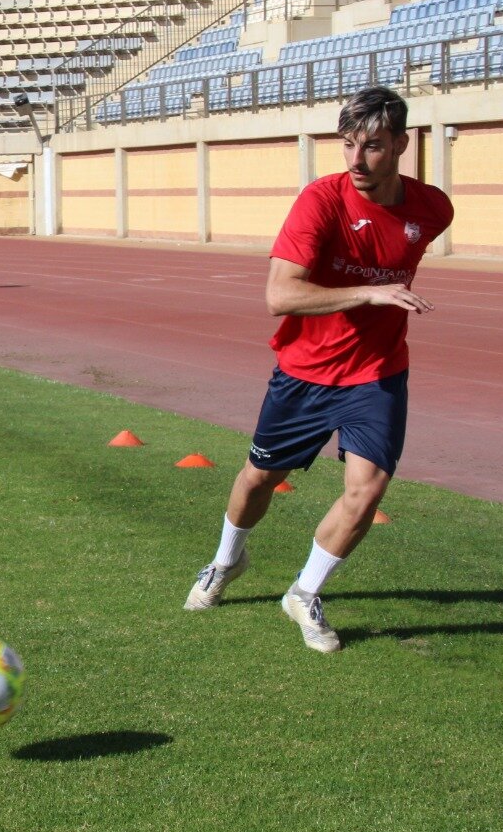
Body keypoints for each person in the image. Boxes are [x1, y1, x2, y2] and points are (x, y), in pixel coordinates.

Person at [183, 87, 453, 652]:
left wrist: (378, 299)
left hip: (377, 373)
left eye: (373, 146)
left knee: (368, 487)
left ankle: (304, 593)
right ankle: (226, 561)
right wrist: (372, 294)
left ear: (402, 144)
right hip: (306, 370)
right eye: (348, 145)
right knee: (258, 478)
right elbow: (280, 296)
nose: (356, 160)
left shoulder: (433, 209)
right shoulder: (320, 201)